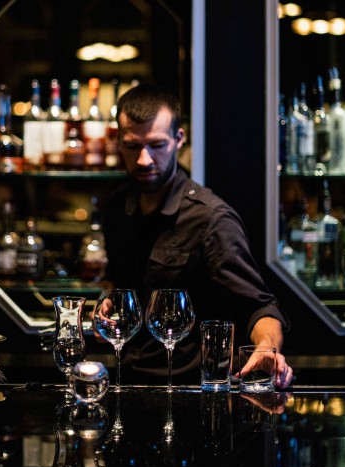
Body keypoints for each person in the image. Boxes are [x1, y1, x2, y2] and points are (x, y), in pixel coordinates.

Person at [98, 83, 293, 389]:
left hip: (193, 393)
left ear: (179, 140)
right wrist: (107, 301)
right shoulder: (116, 208)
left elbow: (260, 307)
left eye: (157, 145)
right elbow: (119, 282)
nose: (144, 160)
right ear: (118, 142)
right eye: (133, 145)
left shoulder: (210, 218)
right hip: (126, 383)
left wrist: (267, 347)